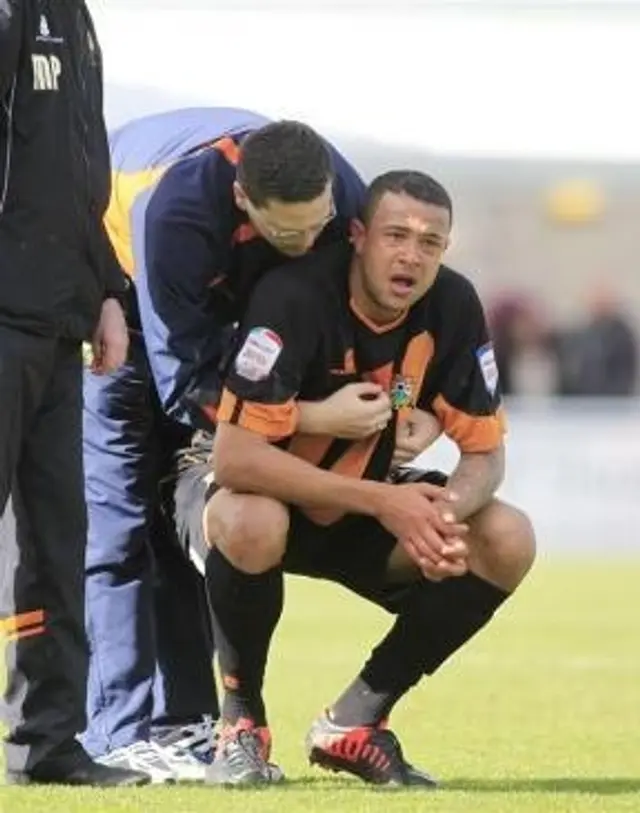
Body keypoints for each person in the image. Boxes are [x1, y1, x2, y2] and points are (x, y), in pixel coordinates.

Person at [172, 170, 537, 786]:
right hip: (240, 491)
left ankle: (355, 721)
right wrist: (385, 500)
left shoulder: (453, 305)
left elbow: (486, 454)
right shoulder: (294, 296)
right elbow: (235, 457)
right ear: (359, 236)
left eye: (430, 243)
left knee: (506, 536)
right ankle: (241, 728)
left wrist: (439, 513)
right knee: (250, 518)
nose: (411, 256)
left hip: (358, 502)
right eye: (396, 235)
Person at [83, 106, 375, 782]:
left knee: (181, 510)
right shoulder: (175, 212)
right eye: (286, 231)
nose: (307, 244)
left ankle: (185, 720)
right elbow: (184, 380)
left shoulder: (344, 194)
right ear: (244, 197)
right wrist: (307, 417)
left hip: (233, 303)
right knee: (123, 513)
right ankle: (118, 732)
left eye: (318, 225)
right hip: (122, 291)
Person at [0, 0, 147, 786]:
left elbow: (75, 183)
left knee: (55, 547)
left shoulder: (73, 14)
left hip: (55, 325)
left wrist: (108, 291)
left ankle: (48, 742)